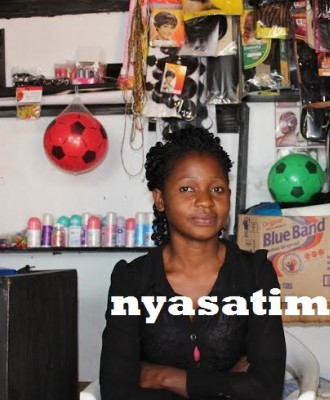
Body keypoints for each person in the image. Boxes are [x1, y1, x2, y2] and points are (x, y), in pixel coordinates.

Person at [100, 125, 286, 400]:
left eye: (217, 189)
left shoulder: (255, 274)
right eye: (187, 188)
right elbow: (117, 390)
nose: (205, 202)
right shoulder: (131, 280)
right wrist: (224, 386)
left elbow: (266, 389)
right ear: (160, 199)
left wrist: (164, 377)